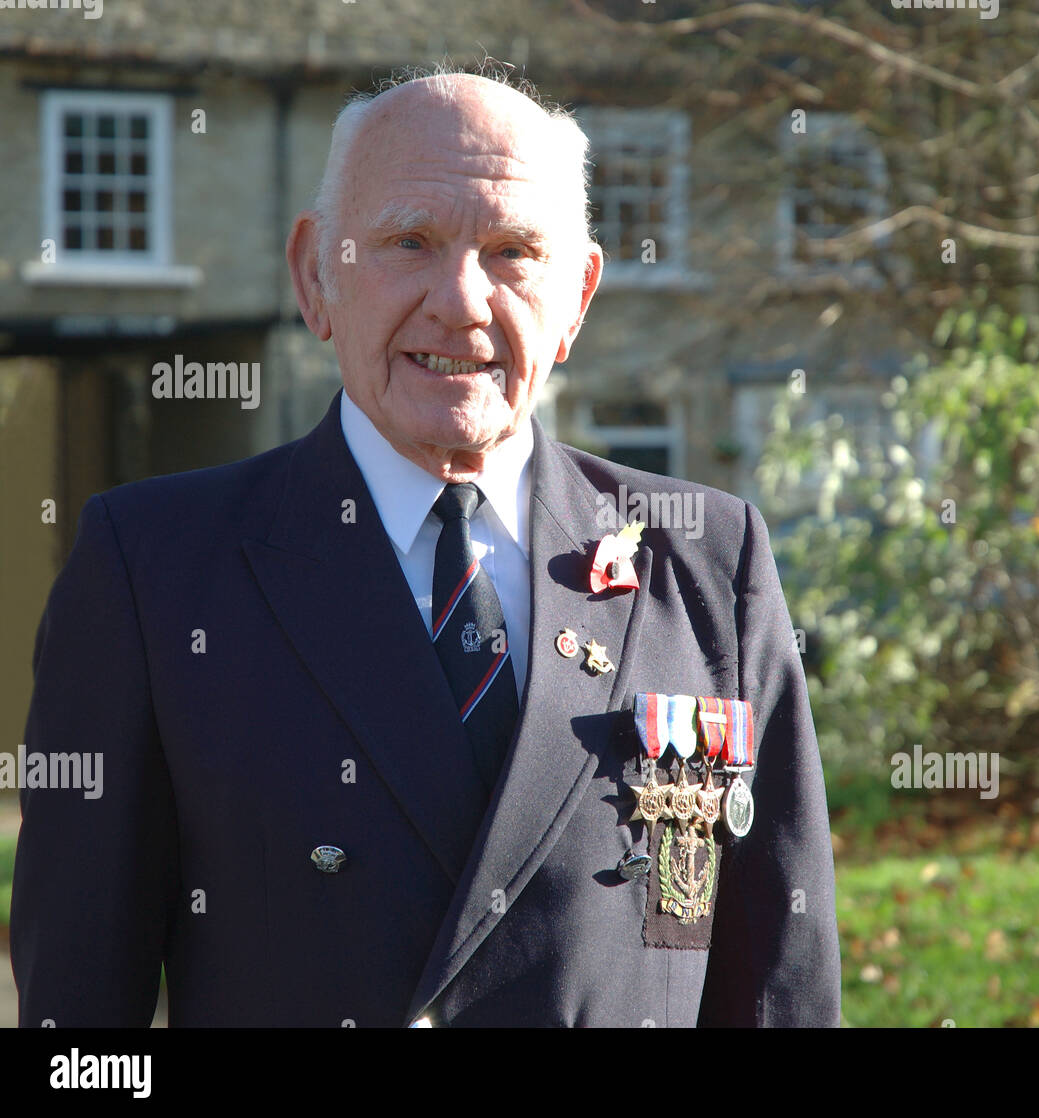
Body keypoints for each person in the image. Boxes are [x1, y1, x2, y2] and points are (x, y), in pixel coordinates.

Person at [10, 67, 841, 1027]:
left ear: (576, 297)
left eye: (513, 251)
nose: (462, 301)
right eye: (410, 242)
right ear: (317, 274)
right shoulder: (153, 572)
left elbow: (783, 996)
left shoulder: (707, 564)